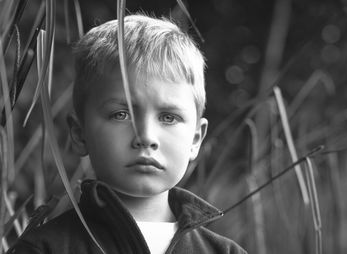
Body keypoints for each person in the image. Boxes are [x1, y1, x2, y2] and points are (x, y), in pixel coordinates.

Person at [8, 13, 247, 254]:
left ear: (196, 139)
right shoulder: (43, 249)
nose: (146, 137)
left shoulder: (226, 252)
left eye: (168, 117)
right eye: (121, 115)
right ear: (80, 134)